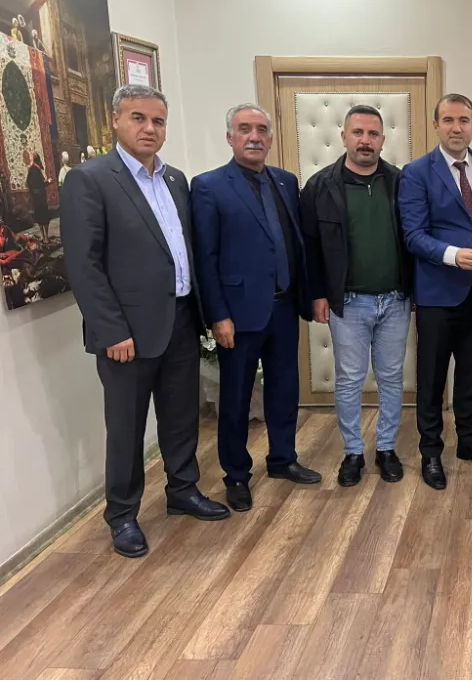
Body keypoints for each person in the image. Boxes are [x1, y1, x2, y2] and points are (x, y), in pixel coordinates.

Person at [62, 84, 229, 558]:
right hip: (127, 334)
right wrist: (112, 329)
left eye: (158, 121)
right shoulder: (91, 180)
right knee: (127, 426)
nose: (149, 128)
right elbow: (84, 266)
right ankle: (122, 514)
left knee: (181, 416)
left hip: (180, 319)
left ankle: (183, 490)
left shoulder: (174, 179)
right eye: (138, 118)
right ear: (115, 120)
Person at [191, 103, 321, 513]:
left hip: (283, 307)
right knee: (235, 398)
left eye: (262, 129)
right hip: (238, 314)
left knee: (285, 388)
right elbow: (206, 258)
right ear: (230, 137)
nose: (254, 136)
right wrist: (218, 315)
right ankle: (236, 475)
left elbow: (295, 242)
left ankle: (283, 459)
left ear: (271, 137)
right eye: (245, 129)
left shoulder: (285, 181)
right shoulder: (208, 186)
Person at [398, 93, 472, 490]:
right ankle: (431, 451)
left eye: (464, 120)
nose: (456, 128)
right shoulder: (416, 172)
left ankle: (470, 441)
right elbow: (413, 235)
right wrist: (452, 255)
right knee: (431, 380)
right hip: (437, 295)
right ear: (436, 125)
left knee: (471, 374)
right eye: (448, 120)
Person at [301, 105, 411, 487]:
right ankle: (352, 452)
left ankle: (386, 448)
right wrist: (318, 293)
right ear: (344, 136)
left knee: (392, 378)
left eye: (373, 134)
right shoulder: (320, 186)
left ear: (383, 139)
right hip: (347, 303)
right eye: (358, 133)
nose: (366, 141)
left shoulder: (400, 182)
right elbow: (309, 247)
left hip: (395, 301)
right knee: (349, 379)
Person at [26, 153, 50, 243]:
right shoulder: (36, 169)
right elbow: (41, 185)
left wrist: (32, 192)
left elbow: (28, 183)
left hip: (35, 198)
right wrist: (48, 182)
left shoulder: (31, 169)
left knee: (39, 216)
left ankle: (43, 236)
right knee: (44, 216)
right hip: (41, 198)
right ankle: (46, 237)